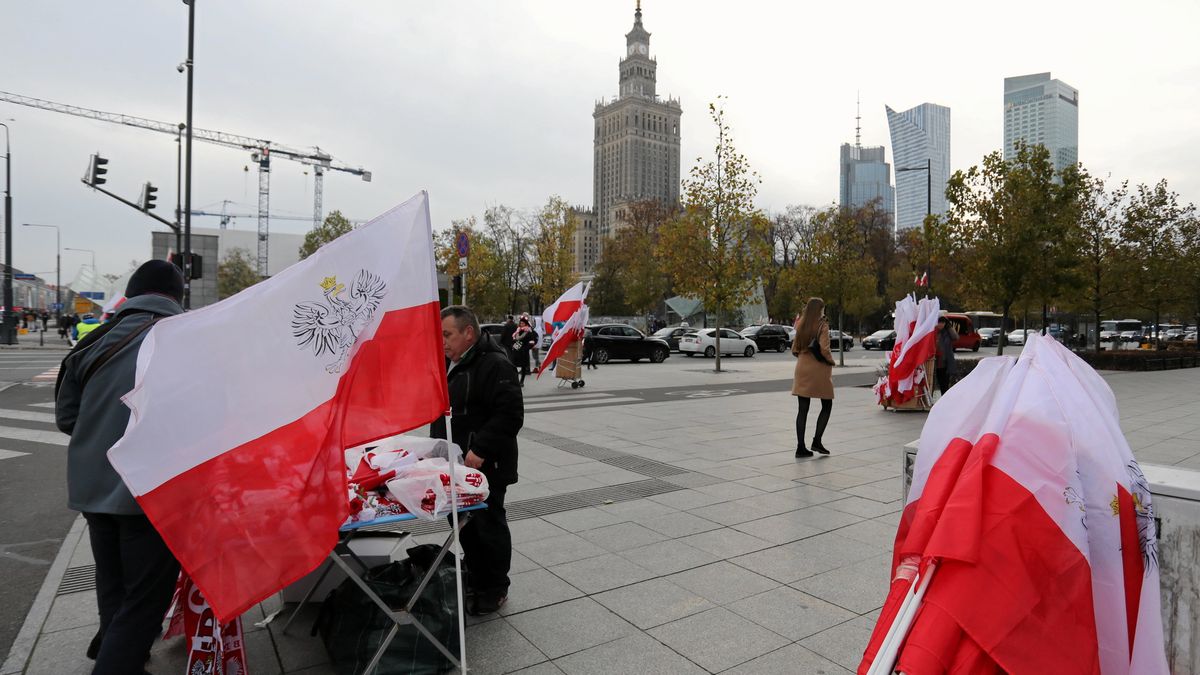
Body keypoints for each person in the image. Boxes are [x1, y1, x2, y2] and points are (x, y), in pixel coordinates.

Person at [55, 260, 186, 674]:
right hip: (151, 492)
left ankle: (117, 651)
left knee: (113, 585)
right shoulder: (182, 338)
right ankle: (115, 663)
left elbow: (67, 418)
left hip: (94, 489)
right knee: (146, 599)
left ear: (129, 294)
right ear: (177, 297)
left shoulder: (92, 341)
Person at [431, 306, 523, 616]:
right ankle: (477, 573)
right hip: (456, 464)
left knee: (488, 525)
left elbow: (510, 415)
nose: (443, 342)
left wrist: (480, 449)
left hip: (485, 466)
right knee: (462, 523)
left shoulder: (496, 365)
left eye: (447, 335)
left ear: (468, 333)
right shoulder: (450, 363)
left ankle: (495, 587)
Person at [791, 297, 835, 458]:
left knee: (802, 409)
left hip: (802, 367)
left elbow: (794, 349)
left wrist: (803, 357)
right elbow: (824, 348)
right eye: (823, 308)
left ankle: (800, 447)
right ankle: (817, 441)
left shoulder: (801, 323)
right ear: (819, 309)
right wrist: (831, 361)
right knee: (827, 404)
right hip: (818, 369)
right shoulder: (822, 324)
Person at [934, 315, 959, 397]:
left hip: (946, 361)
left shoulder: (947, 332)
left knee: (945, 382)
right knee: (939, 381)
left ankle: (944, 398)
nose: (941, 324)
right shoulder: (934, 332)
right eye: (939, 322)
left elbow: (955, 337)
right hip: (936, 361)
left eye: (943, 323)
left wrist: (949, 327)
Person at [511, 316, 538, 386]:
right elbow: (515, 340)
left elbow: (532, 341)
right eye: (520, 323)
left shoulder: (528, 331)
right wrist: (514, 347)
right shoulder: (518, 330)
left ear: (526, 324)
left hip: (523, 351)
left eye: (523, 323)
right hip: (517, 349)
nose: (521, 324)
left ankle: (522, 381)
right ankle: (516, 380)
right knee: (514, 365)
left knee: (523, 366)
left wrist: (526, 348)